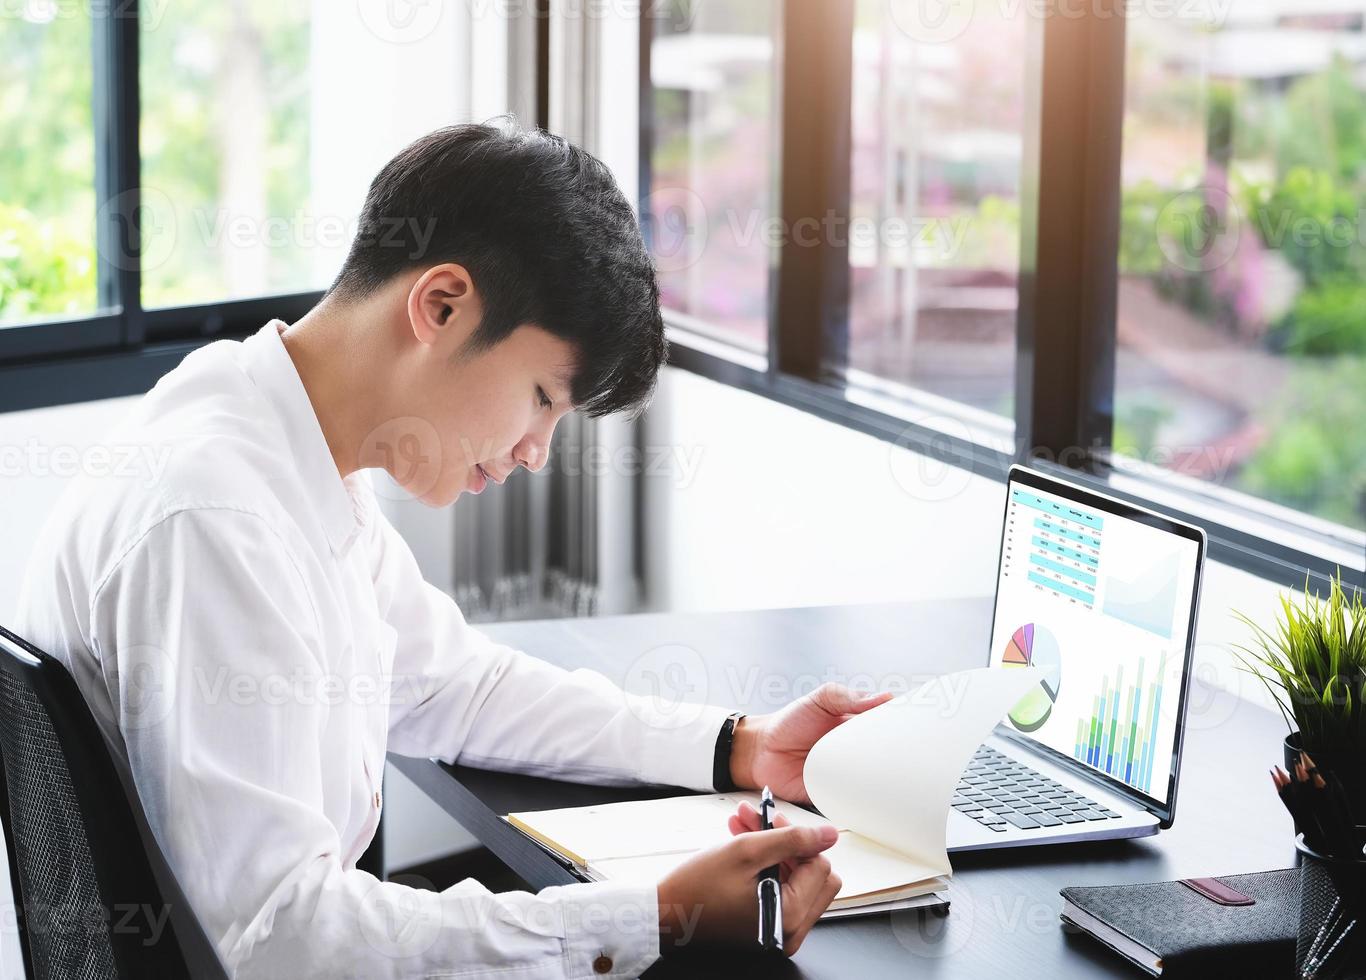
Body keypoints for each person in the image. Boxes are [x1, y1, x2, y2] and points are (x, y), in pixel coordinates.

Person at [16, 122, 891, 978]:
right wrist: (655, 917)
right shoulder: (216, 517)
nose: (535, 451)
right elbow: (283, 938)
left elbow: (454, 685)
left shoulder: (279, 431)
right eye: (542, 397)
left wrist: (736, 744)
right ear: (440, 305)